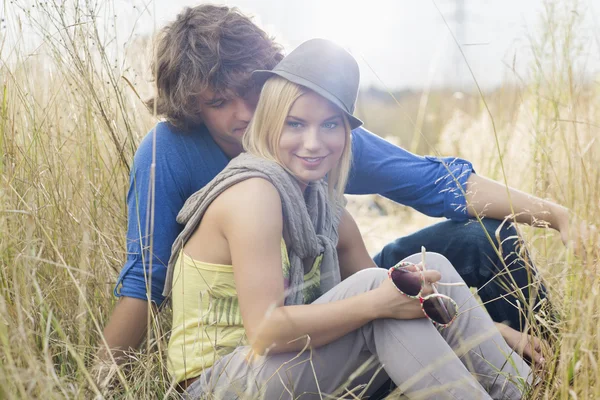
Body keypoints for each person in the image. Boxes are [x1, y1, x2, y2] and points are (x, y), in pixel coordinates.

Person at [101, 4, 567, 367]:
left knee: (483, 238)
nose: (244, 112)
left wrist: (560, 216)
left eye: (252, 90)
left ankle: (550, 367)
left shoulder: (311, 134)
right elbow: (146, 279)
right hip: (261, 331)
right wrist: (102, 383)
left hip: (336, 284)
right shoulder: (171, 150)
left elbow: (435, 182)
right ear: (192, 107)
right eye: (220, 102)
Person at [165, 38, 532, 399]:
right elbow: (265, 331)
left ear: (346, 132)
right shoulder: (253, 194)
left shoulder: (322, 205)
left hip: (285, 368)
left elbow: (402, 293)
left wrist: (495, 331)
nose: (313, 142)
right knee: (378, 292)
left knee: (424, 267)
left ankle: (525, 390)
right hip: (216, 384)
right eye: (295, 124)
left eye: (329, 125)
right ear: (270, 122)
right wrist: (379, 302)